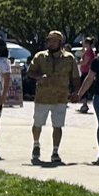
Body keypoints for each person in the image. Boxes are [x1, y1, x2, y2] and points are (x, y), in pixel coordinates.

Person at [27, 30, 81, 164]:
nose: (51, 43)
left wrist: (76, 92)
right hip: (42, 97)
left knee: (58, 126)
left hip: (61, 97)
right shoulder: (40, 56)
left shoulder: (69, 58)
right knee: (37, 123)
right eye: (49, 40)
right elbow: (30, 72)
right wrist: (39, 77)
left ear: (60, 42)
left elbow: (75, 77)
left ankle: (55, 151)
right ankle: (36, 144)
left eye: (54, 40)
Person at [76, 36, 95, 114]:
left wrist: (78, 62)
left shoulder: (89, 52)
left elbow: (85, 62)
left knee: (83, 88)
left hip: (86, 72)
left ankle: (84, 105)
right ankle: (84, 104)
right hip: (85, 71)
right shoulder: (87, 51)